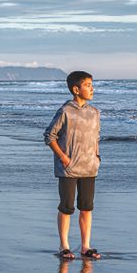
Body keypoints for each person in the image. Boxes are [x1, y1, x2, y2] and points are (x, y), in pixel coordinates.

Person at [45, 71, 101, 260]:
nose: (92, 89)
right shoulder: (65, 111)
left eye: (92, 85)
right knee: (67, 207)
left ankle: (86, 246)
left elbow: (96, 137)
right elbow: (49, 136)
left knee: (86, 207)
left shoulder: (94, 112)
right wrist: (63, 157)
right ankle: (64, 246)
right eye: (87, 85)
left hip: (89, 167)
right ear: (76, 89)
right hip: (68, 169)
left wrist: (97, 156)